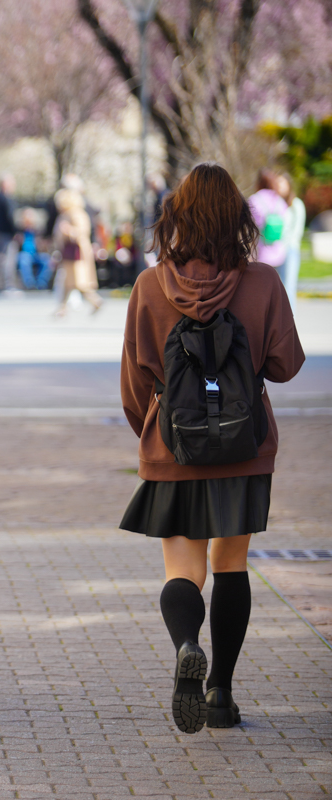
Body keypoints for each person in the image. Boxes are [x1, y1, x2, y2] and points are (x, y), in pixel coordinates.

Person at [119, 163, 304, 734]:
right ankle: (220, 693)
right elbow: (287, 365)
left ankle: (185, 647)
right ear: (238, 221)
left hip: (174, 449)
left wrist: (151, 436)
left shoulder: (151, 286)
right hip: (243, 449)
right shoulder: (263, 284)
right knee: (231, 565)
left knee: (184, 569)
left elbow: (134, 379)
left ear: (176, 219)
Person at [52, 188, 103, 316]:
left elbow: (81, 232)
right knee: (68, 281)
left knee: (79, 281)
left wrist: (67, 230)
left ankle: (95, 300)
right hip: (69, 252)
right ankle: (62, 308)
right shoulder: (67, 214)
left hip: (76, 252)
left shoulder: (76, 214)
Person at [247, 170, 289, 271]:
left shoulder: (255, 199)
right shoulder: (279, 199)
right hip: (279, 252)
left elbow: (249, 225)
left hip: (260, 252)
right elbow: (286, 222)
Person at [278, 175, 305, 304]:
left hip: (290, 249)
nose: (280, 188)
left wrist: (285, 245)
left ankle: (289, 320)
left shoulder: (296, 204)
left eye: (282, 184)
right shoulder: (276, 204)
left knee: (288, 287)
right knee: (277, 288)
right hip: (276, 249)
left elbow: (297, 231)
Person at [16, 208, 52, 290]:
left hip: (36, 254)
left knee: (48, 260)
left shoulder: (38, 231)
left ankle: (41, 283)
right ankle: (30, 283)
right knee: (24, 259)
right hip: (24, 254)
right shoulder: (19, 231)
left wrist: (41, 244)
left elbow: (44, 246)